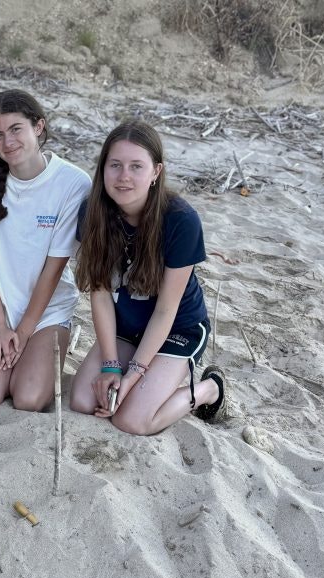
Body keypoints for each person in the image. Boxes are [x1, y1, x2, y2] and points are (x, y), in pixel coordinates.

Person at [69, 120, 227, 434]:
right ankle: (138, 372)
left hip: (176, 328)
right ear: (103, 169)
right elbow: (100, 293)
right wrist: (111, 366)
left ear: (155, 172)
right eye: (115, 165)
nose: (124, 176)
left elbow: (166, 310)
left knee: (131, 420)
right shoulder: (93, 213)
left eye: (136, 166)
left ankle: (210, 388)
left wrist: (133, 375)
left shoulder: (181, 221)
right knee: (85, 402)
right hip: (126, 327)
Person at [0, 89, 90, 411]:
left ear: (38, 127)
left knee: (28, 398)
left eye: (16, 129)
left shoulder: (73, 183)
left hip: (46, 309)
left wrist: (21, 332)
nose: (8, 143)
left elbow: (54, 268)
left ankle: (52, 341)